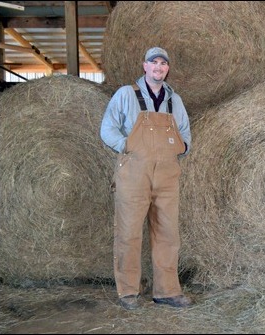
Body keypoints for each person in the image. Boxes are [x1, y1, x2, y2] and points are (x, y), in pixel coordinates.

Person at [100, 46, 192, 310]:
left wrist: (181, 148)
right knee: (129, 233)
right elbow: (107, 127)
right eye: (154, 63)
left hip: (166, 175)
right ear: (144, 66)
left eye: (163, 64)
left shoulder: (175, 100)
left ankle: (167, 291)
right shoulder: (126, 94)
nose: (158, 67)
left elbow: (185, 131)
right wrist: (126, 147)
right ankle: (128, 292)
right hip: (134, 173)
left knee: (167, 233)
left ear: (167, 69)